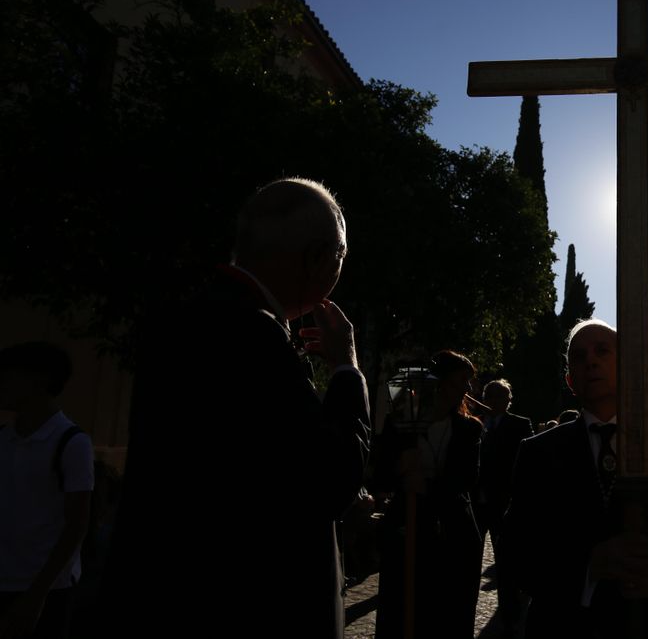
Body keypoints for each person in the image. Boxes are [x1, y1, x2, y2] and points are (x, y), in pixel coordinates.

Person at [101, 178, 371, 637]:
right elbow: (330, 478)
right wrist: (347, 368)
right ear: (318, 258)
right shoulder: (255, 335)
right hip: (253, 608)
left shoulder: (181, 319)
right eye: (340, 256)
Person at [504, 319, 648, 639]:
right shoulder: (538, 453)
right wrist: (587, 569)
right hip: (567, 626)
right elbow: (516, 550)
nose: (590, 360)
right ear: (570, 380)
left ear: (628, 365)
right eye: (579, 357)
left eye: (601, 351)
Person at [374, 350, 484, 639]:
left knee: (447, 618)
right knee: (403, 613)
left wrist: (427, 487)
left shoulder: (468, 430)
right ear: (441, 381)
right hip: (407, 531)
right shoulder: (402, 422)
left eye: (469, 383)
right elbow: (379, 472)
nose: (466, 389)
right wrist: (399, 467)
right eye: (461, 381)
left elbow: (466, 479)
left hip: (453, 534)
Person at [0, 342, 93, 639]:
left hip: (48, 589)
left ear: (38, 381)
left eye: (9, 376)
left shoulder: (71, 443)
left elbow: (76, 523)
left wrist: (37, 594)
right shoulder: (4, 438)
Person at [475, 378, 533, 638]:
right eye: (492, 397)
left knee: (506, 563)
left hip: (504, 502)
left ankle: (510, 615)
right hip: (477, 501)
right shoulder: (475, 423)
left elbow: (524, 465)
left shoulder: (520, 425)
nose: (496, 402)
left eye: (501, 397)